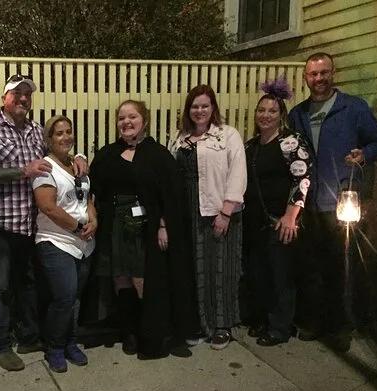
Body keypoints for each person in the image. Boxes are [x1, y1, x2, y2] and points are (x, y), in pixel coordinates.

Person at [0, 74, 88, 371]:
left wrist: (79, 156)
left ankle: (29, 338)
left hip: (28, 225)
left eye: (27, 94)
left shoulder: (35, 130)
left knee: (28, 286)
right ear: (4, 98)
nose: (23, 98)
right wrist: (23, 171)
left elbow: (57, 153)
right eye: (17, 93)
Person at [288, 53, 377, 352]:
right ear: (306, 78)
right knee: (312, 266)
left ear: (333, 73)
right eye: (313, 74)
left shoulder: (353, 108)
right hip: (309, 203)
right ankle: (315, 321)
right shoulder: (298, 114)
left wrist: (364, 155)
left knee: (343, 267)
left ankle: (341, 325)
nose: (318, 79)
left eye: (323, 73)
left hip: (341, 203)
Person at [90, 100, 195, 360]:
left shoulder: (158, 155)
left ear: (144, 120)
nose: (126, 122)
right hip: (115, 226)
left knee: (142, 280)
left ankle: (147, 330)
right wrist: (80, 160)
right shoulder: (108, 154)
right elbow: (92, 185)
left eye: (132, 117)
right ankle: (129, 331)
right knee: (120, 279)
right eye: (121, 118)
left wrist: (163, 225)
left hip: (146, 228)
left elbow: (170, 195)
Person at [167, 85, 247, 351]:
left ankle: (221, 326)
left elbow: (238, 173)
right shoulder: (179, 138)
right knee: (194, 269)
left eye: (204, 105)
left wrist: (226, 211)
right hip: (188, 211)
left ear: (213, 108)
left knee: (220, 270)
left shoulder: (227, 135)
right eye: (194, 106)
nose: (199, 110)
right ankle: (199, 324)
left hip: (218, 210)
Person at [243, 78, 313, 346]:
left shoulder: (291, 142)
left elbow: (302, 179)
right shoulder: (251, 146)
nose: (266, 115)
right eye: (262, 110)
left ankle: (280, 327)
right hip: (255, 221)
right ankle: (262, 318)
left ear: (281, 114)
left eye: (272, 111)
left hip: (281, 220)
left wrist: (290, 216)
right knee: (259, 273)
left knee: (281, 276)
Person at [33, 116, 96, 373]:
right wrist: (78, 227)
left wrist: (94, 221)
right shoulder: (46, 168)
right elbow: (47, 206)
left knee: (75, 298)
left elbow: (87, 199)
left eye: (69, 131)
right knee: (64, 297)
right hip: (56, 241)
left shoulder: (77, 165)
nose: (65, 137)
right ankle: (55, 347)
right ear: (48, 139)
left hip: (83, 244)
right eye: (59, 133)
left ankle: (71, 342)